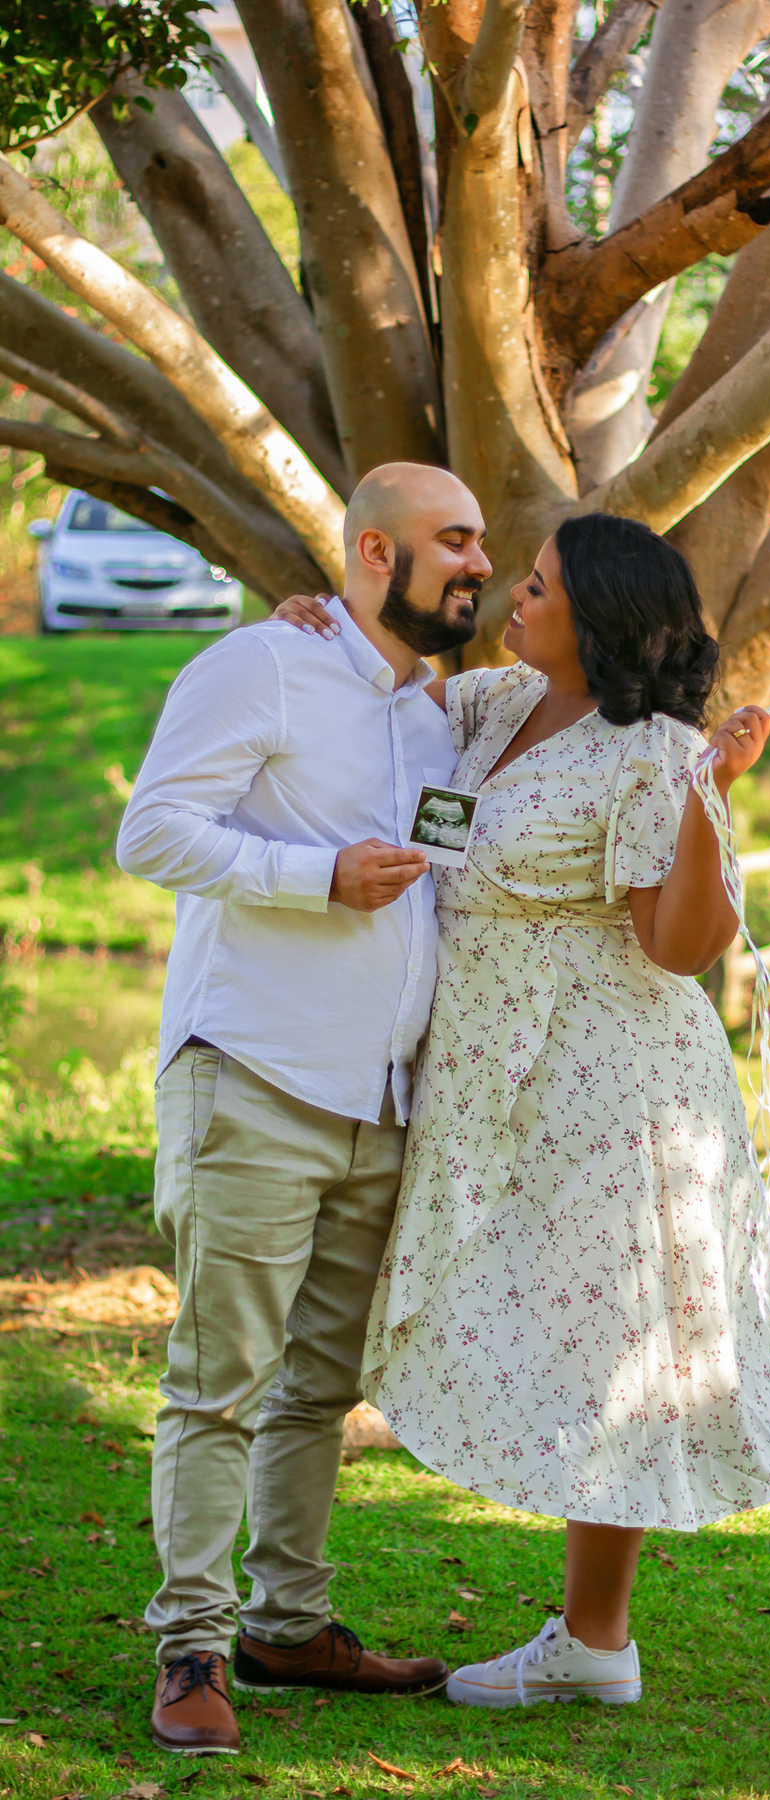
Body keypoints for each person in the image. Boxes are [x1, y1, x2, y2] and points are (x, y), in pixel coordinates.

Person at [272, 511, 770, 1711]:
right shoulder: (492, 706)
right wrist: (314, 624)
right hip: (491, 1070)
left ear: (599, 619)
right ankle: (676, 1586)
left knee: (625, 1340)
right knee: (582, 1340)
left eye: (540, 586)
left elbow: (680, 947)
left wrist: (708, 798)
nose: (515, 595)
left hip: (610, 1078)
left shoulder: (651, 754)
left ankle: (685, 1579)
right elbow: (379, 702)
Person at [115, 462, 491, 1755]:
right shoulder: (260, 667)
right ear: (376, 554)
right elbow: (152, 833)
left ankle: (288, 1623)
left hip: (380, 1102)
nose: (479, 562)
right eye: (455, 539)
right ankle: (191, 1648)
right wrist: (313, 876)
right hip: (254, 1076)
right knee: (219, 1379)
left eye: (482, 542)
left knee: (320, 1389)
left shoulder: (440, 715)